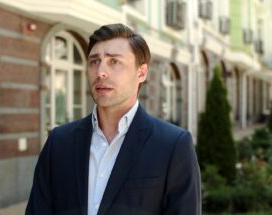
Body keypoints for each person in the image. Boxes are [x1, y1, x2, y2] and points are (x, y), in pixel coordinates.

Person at [26, 23, 201, 215]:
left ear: (141, 73)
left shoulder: (173, 145)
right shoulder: (59, 141)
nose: (101, 71)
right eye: (94, 61)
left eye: (114, 62)